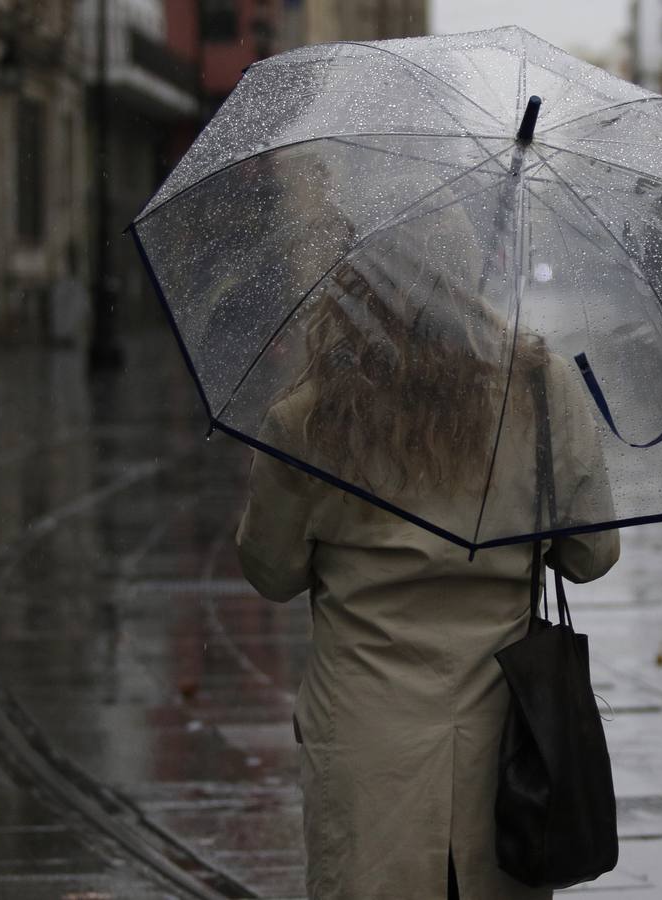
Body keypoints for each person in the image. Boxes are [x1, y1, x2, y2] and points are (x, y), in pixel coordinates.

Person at [234, 208, 619, 900]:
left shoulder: (308, 418)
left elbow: (272, 572)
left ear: (354, 283)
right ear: (467, 279)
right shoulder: (540, 390)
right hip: (504, 743)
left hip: (364, 740)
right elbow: (590, 553)